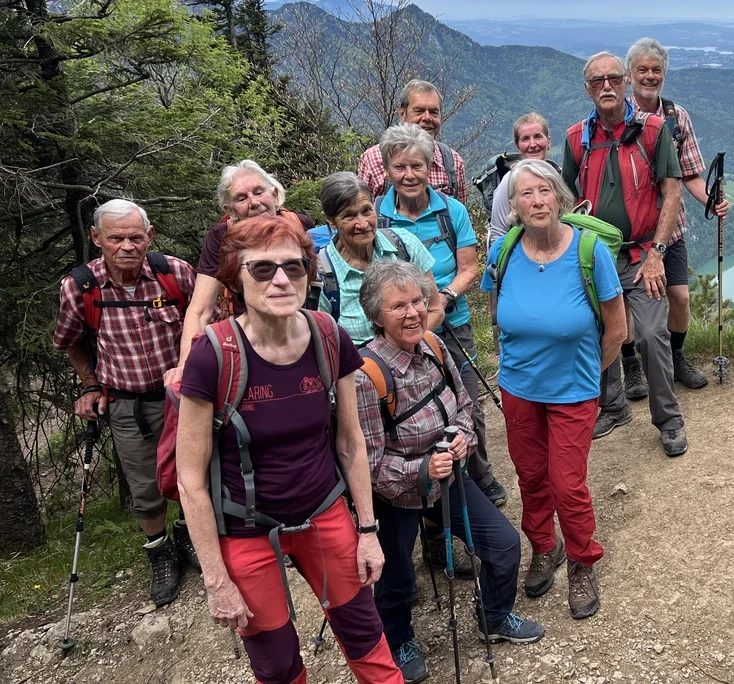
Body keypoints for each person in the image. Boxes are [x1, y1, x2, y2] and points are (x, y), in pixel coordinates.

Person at [174, 215, 403, 684]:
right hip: (247, 528)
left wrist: (367, 528)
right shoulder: (213, 354)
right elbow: (189, 480)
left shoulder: (327, 335)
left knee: (365, 636)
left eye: (294, 267)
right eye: (262, 269)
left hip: (324, 512)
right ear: (235, 277)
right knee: (276, 664)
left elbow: (349, 441)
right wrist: (216, 580)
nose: (281, 279)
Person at [356, 260, 544, 681]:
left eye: (418, 301)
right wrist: (420, 468)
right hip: (394, 495)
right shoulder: (365, 377)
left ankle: (493, 616)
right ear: (375, 316)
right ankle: (398, 640)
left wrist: (461, 438)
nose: (413, 313)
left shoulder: (435, 347)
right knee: (396, 576)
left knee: (503, 543)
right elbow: (365, 464)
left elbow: (463, 405)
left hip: (448, 477)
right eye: (398, 306)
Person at [483, 160, 626, 619]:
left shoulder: (588, 250)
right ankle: (545, 547)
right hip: (519, 389)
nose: (537, 201)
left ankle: (583, 560)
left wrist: (584, 374)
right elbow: (496, 314)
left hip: (573, 392)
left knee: (568, 484)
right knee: (530, 477)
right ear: (514, 206)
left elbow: (617, 330)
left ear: (560, 198)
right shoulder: (504, 251)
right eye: (525, 194)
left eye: (544, 191)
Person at [53, 199, 198, 607]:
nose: (127, 246)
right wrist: (90, 386)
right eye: (116, 238)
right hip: (126, 402)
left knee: (194, 470)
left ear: (149, 236)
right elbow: (68, 342)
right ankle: (160, 551)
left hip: (184, 397)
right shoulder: (80, 287)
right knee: (144, 485)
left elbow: (202, 319)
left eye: (136, 237)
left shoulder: (174, 273)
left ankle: (189, 534)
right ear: (97, 238)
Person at [374, 122, 508, 507]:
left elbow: (469, 266)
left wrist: (444, 298)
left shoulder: (452, 211)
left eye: (417, 166)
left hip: (453, 321)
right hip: (398, 331)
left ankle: (479, 474)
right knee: (410, 408)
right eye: (400, 167)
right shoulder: (378, 218)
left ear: (429, 166)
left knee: (466, 398)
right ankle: (425, 486)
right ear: (387, 169)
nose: (409, 175)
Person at [562, 51, 688, 457]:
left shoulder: (653, 130)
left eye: (613, 78)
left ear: (625, 82)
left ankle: (668, 419)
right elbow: (566, 199)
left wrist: (657, 253)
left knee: (652, 334)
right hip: (594, 256)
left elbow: (671, 192)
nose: (606, 86)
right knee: (595, 332)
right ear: (587, 89)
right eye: (597, 81)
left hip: (641, 256)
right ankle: (612, 407)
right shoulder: (576, 139)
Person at [626, 37, 730, 393]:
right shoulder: (617, 115)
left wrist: (711, 201)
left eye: (656, 70)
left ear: (664, 74)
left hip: (671, 228)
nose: (650, 76)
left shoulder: (675, 116)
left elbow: (691, 174)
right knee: (625, 301)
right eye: (643, 70)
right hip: (628, 230)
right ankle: (630, 365)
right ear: (629, 74)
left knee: (680, 297)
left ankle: (676, 356)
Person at [166, 160, 314, 385]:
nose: (254, 203)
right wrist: (186, 367)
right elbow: (200, 309)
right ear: (230, 210)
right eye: (241, 198)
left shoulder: (299, 226)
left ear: (274, 195)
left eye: (259, 192)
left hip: (299, 332)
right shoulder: (221, 238)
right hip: (247, 339)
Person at [311, 171, 445, 344]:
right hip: (361, 368)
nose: (363, 224)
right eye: (349, 216)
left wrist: (400, 350)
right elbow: (324, 345)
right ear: (330, 220)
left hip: (414, 361)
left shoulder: (404, 245)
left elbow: (435, 310)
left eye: (367, 211)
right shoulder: (322, 275)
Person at [359, 80, 468, 203]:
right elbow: (363, 213)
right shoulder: (373, 159)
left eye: (433, 112)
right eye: (419, 111)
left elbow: (460, 214)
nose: (427, 118)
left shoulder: (453, 162)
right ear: (402, 113)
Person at [488, 113, 555, 246]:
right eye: (525, 139)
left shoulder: (557, 176)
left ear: (548, 142)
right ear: (518, 147)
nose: (532, 144)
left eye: (537, 137)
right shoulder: (510, 181)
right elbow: (498, 232)